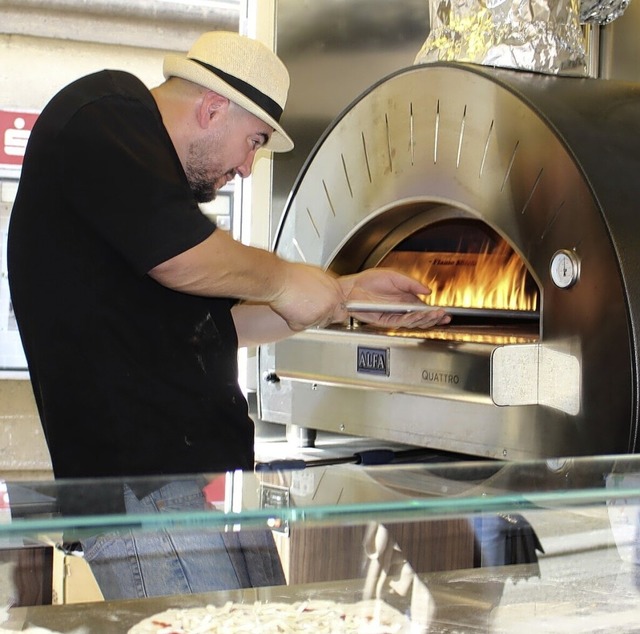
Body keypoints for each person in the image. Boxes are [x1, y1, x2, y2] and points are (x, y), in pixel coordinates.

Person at [7, 31, 450, 599]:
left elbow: (222, 328)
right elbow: (184, 261)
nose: (246, 167)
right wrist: (290, 281)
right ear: (213, 108)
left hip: (196, 488)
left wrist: (345, 297)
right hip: (140, 495)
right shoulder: (105, 114)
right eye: (254, 142)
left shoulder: (142, 205)